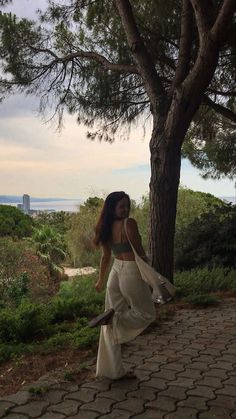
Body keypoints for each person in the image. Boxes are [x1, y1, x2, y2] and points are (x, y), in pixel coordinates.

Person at [90, 191, 156, 380]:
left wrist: (100, 281)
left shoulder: (103, 226)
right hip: (131, 271)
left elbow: (105, 257)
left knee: (108, 327)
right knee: (147, 314)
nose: (126, 210)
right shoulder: (129, 224)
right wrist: (148, 275)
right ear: (112, 208)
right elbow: (140, 253)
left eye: (128, 205)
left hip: (115, 273)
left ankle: (110, 371)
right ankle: (116, 321)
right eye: (122, 206)